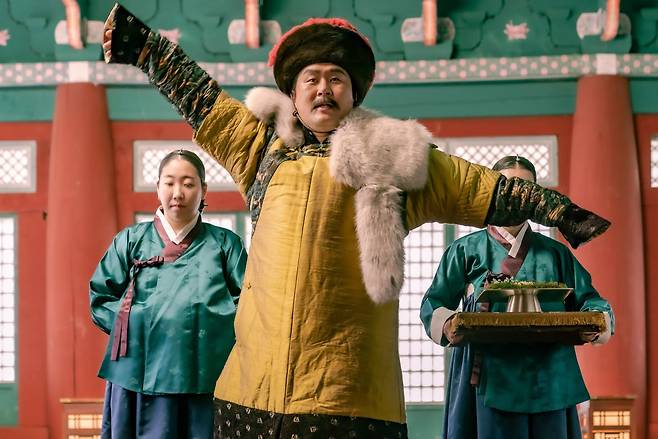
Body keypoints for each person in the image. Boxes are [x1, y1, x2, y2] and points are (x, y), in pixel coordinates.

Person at [101, 4, 611, 438]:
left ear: (354, 93)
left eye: (336, 78)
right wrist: (142, 46)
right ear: (293, 93)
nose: (323, 88)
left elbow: (481, 186)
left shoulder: (397, 158)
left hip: (350, 389)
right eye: (311, 79)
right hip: (252, 386)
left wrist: (559, 212)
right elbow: (200, 97)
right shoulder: (260, 149)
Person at [419, 155, 614, 439]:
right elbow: (434, 303)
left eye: (527, 189)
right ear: (492, 191)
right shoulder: (465, 250)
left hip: (550, 372)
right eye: (509, 187)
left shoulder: (556, 253)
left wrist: (595, 323)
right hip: (487, 374)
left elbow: (591, 301)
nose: (518, 197)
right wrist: (448, 324)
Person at [89, 149, 247, 439]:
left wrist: (204, 324)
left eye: (188, 184)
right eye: (170, 183)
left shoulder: (226, 244)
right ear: (158, 188)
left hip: (205, 373)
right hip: (138, 371)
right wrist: (140, 322)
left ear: (203, 190)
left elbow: (250, 306)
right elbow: (101, 297)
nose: (178, 193)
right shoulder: (130, 240)